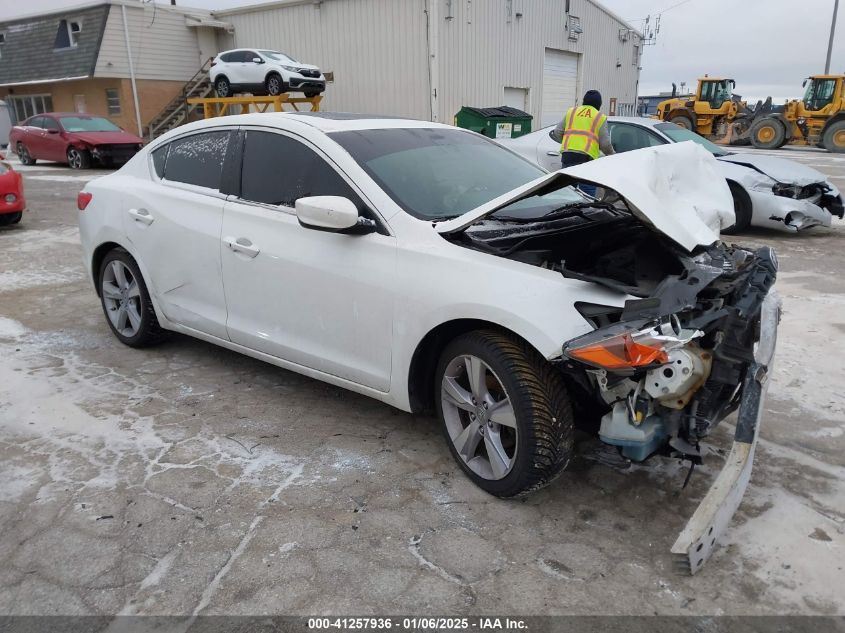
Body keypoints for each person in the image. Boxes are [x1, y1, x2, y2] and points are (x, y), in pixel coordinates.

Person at [551, 90, 615, 197]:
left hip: (568, 157)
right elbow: (605, 144)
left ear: (584, 101)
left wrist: (569, 142)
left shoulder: (571, 112)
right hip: (587, 161)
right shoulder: (599, 117)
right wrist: (612, 154)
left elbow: (557, 132)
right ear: (599, 104)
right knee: (587, 196)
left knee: (567, 194)